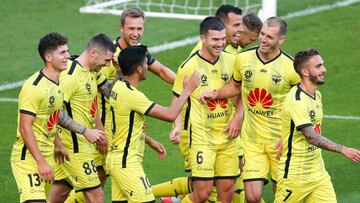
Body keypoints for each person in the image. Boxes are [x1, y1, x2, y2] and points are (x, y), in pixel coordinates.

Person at [198, 17, 301, 203]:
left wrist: (290, 137)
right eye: (262, 34)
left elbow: (300, 105)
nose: (263, 39)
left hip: (280, 141)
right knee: (253, 197)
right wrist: (216, 94)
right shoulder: (244, 58)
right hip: (252, 141)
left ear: (281, 39)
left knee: (283, 196)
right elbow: (235, 86)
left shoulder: (291, 68)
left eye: (269, 37)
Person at [10, 32, 105, 203]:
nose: (68, 56)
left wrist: (60, 144)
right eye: (62, 53)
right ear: (48, 57)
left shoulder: (58, 82)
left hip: (48, 155)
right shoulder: (34, 87)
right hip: (29, 159)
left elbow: (55, 116)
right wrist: (41, 162)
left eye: (67, 51)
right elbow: (25, 128)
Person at [106, 45, 200, 202]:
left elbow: (126, 126)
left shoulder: (118, 85)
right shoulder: (132, 96)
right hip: (126, 163)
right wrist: (187, 90)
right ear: (139, 69)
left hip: (117, 159)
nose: (148, 66)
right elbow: (170, 114)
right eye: (145, 63)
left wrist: (149, 141)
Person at [275, 48, 360, 202]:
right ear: (305, 72)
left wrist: (285, 138)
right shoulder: (297, 100)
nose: (324, 70)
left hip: (318, 174)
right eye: (319, 66)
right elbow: (311, 137)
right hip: (295, 177)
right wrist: (343, 149)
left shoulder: (316, 95)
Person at [172, 17, 240, 203]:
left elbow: (243, 91)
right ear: (203, 38)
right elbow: (178, 99)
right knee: (202, 193)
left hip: (228, 137)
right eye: (215, 40)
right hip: (203, 139)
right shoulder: (188, 67)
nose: (220, 44)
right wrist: (177, 126)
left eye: (222, 39)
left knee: (226, 193)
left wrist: (238, 118)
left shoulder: (233, 61)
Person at [48, 33, 117, 203]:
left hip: (78, 147)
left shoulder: (93, 71)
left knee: (59, 196)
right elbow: (54, 111)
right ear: (93, 52)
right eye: (106, 60)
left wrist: (120, 73)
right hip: (74, 148)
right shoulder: (70, 75)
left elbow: (113, 93)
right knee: (96, 195)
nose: (107, 65)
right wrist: (85, 131)